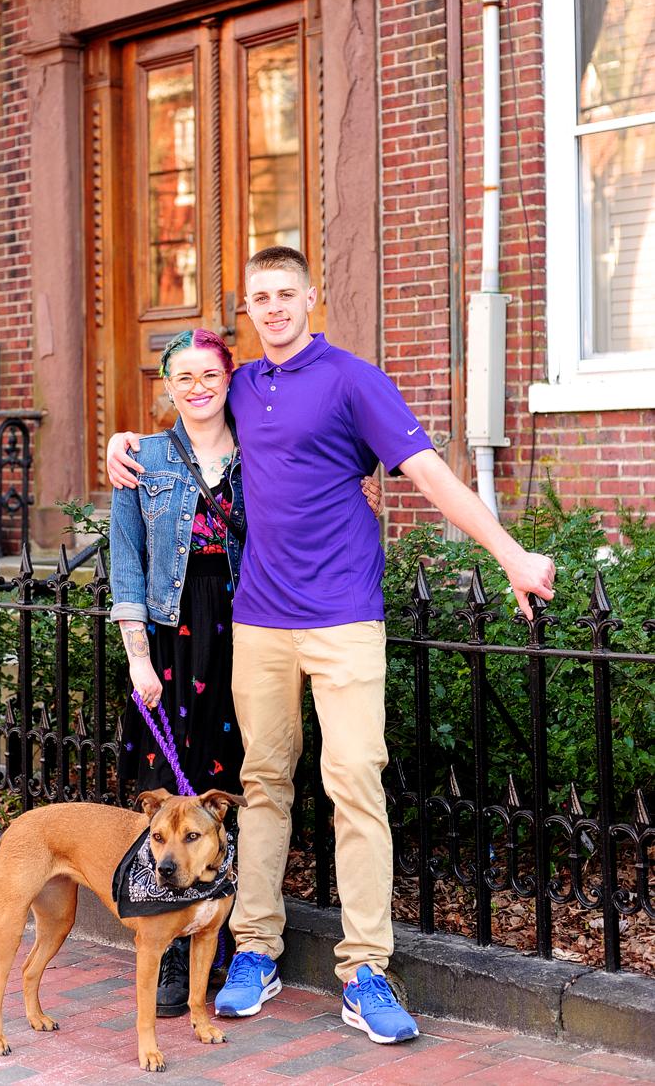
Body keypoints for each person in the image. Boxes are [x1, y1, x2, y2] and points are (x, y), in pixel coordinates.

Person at [108, 246, 557, 1045]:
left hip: (344, 613)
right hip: (259, 618)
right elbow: (191, 417)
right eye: (260, 297)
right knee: (263, 781)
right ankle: (254, 949)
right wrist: (124, 444)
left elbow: (427, 471)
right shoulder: (242, 385)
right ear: (247, 310)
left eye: (287, 293)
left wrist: (510, 552)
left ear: (313, 297)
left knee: (354, 780)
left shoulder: (352, 378)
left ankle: (364, 969)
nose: (274, 307)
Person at [109, 324, 382, 1019]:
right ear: (166, 386)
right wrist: (139, 656)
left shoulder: (258, 446)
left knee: (234, 779)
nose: (197, 387)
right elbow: (128, 561)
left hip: (252, 620)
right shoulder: (141, 456)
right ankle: (170, 938)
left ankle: (228, 932)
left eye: (210, 375)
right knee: (166, 785)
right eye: (183, 377)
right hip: (173, 634)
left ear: (231, 380)